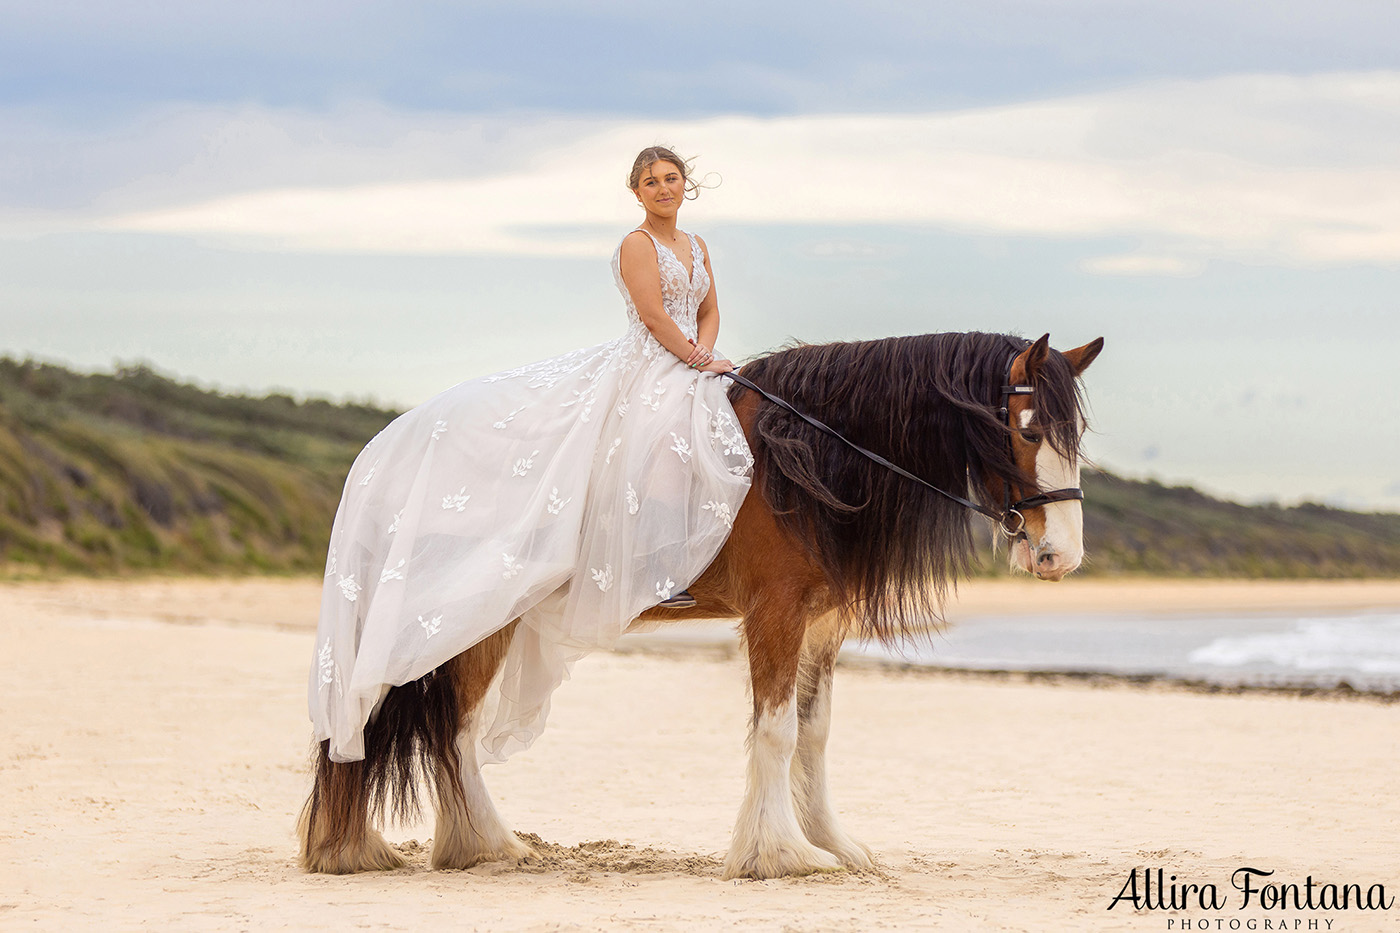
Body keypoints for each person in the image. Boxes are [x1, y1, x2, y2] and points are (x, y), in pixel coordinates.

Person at [308, 145, 753, 766]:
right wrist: (694, 360)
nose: (663, 188)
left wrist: (708, 357)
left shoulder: (698, 246)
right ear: (636, 192)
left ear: (687, 185)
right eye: (651, 181)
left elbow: (708, 310)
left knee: (726, 441)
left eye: (671, 179)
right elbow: (653, 317)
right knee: (661, 446)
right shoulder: (635, 245)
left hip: (693, 361)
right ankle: (660, 563)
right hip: (649, 365)